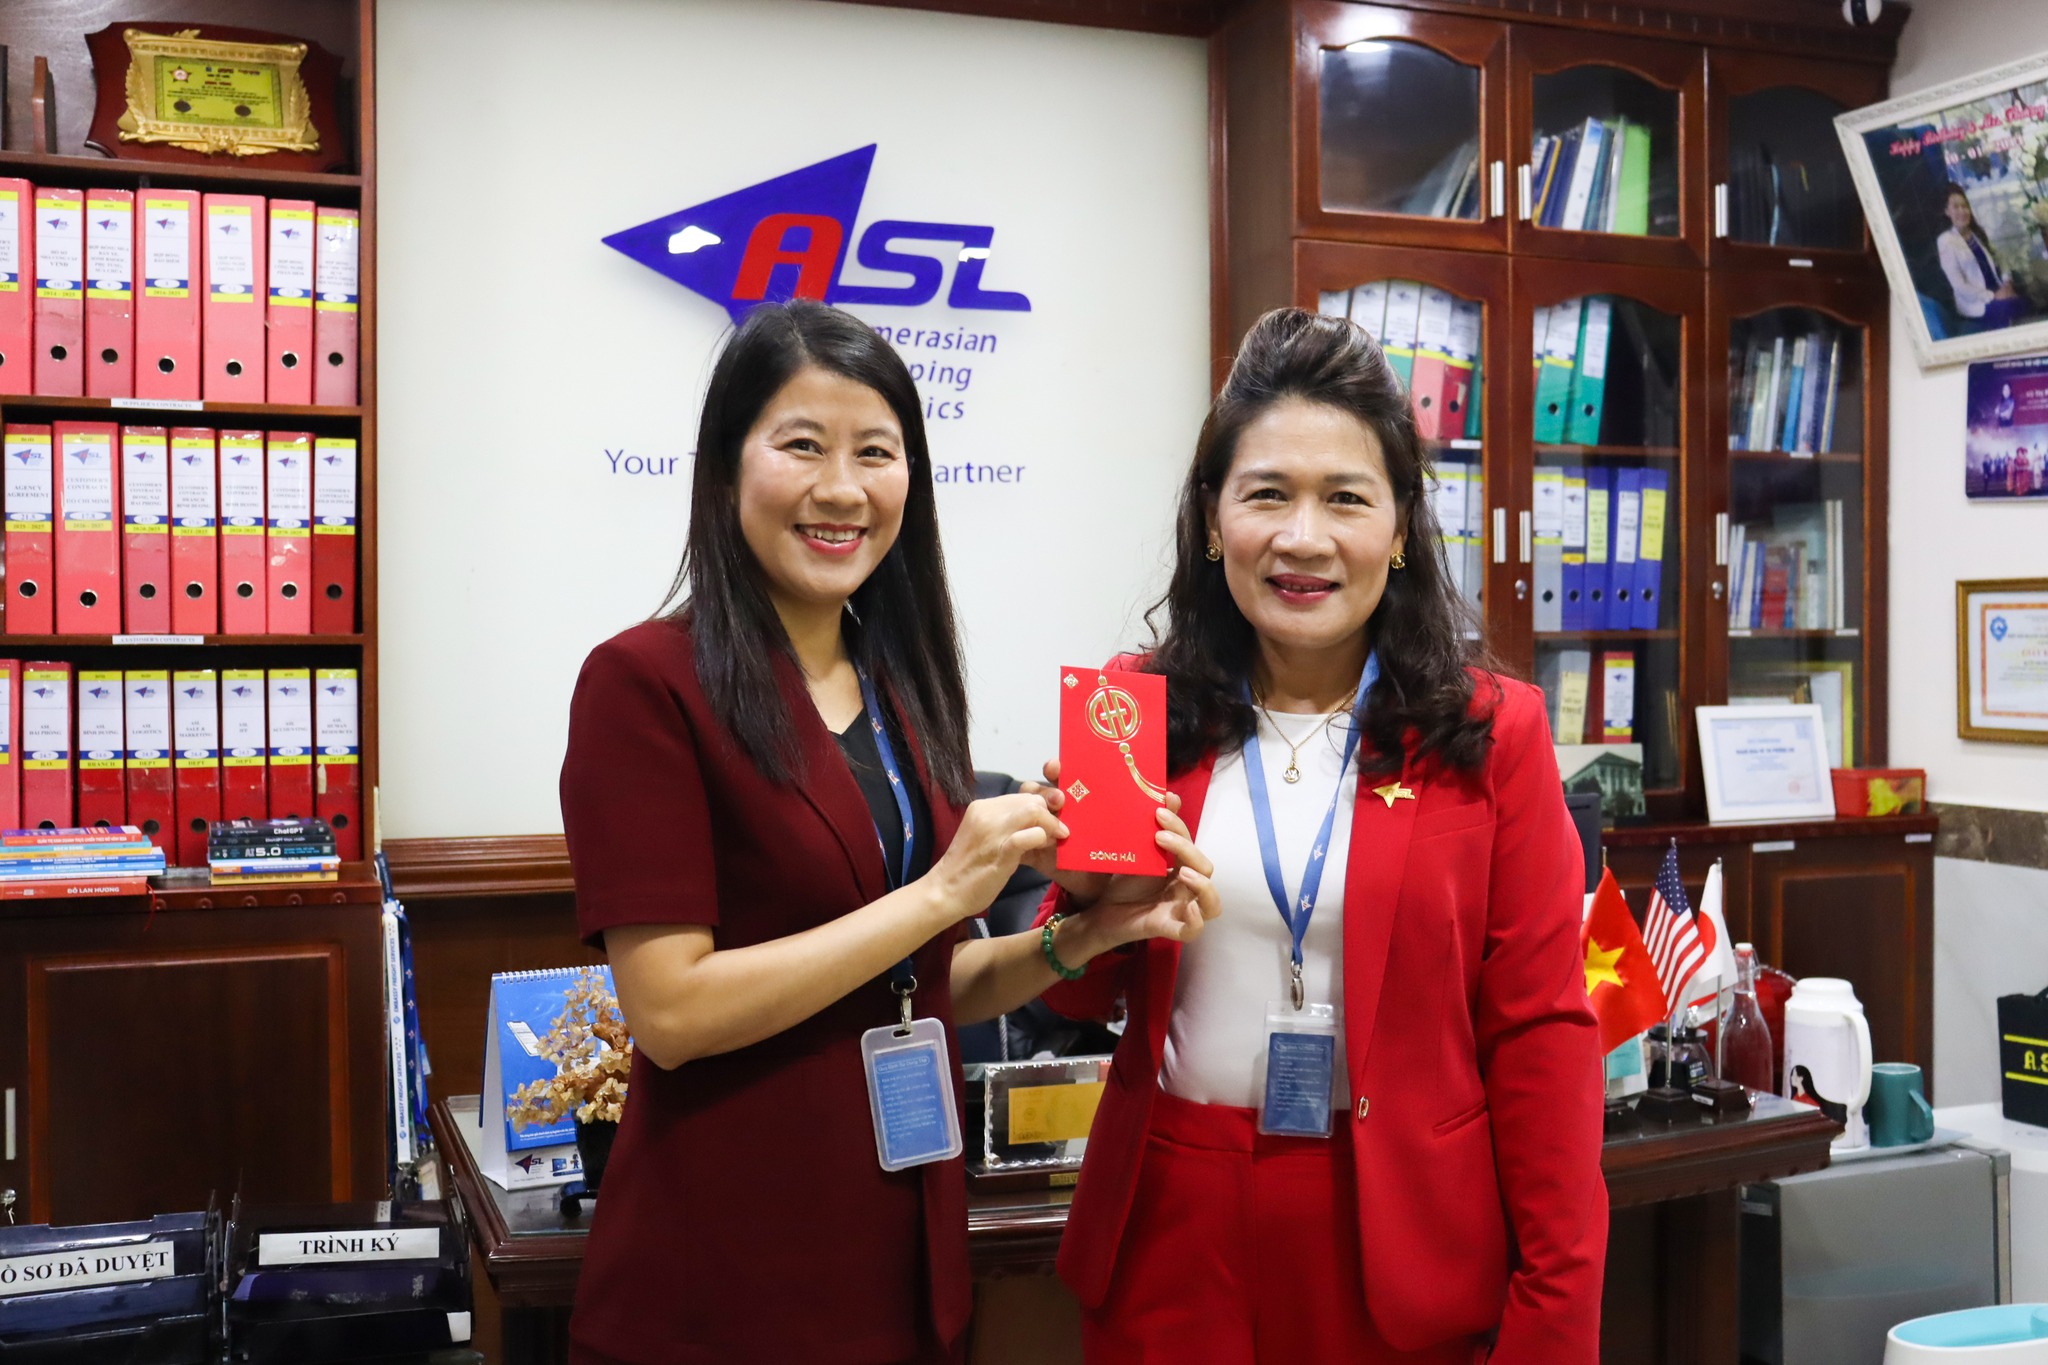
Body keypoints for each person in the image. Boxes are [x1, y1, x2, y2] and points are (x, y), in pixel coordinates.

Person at [558, 299, 1220, 1365]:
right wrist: (944, 891)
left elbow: (919, 982)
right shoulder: (642, 683)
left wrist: (1083, 938)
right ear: (725, 468)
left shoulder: (899, 688)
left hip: (907, 1259)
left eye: (875, 451)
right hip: (726, 1279)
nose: (842, 488)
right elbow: (671, 1010)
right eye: (802, 445)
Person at [1034, 308, 1607, 1364]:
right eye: (1266, 494)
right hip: (1168, 1222)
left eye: (1345, 498)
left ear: (1400, 528)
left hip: (1395, 1233)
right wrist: (1081, 900)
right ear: (1213, 519)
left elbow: (1541, 1039)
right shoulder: (1130, 709)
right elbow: (1070, 1001)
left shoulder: (1492, 732)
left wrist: (1554, 1320)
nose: (1303, 538)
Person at [1938, 183, 2026, 329]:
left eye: (1964, 206)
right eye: (1956, 207)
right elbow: (1959, 286)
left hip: (1999, 290)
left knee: (2026, 302)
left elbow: (2000, 258)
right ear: (1947, 211)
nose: (1962, 211)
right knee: (2012, 307)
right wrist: (1993, 296)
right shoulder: (1946, 241)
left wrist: (2007, 281)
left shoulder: (1976, 233)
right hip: (1977, 303)